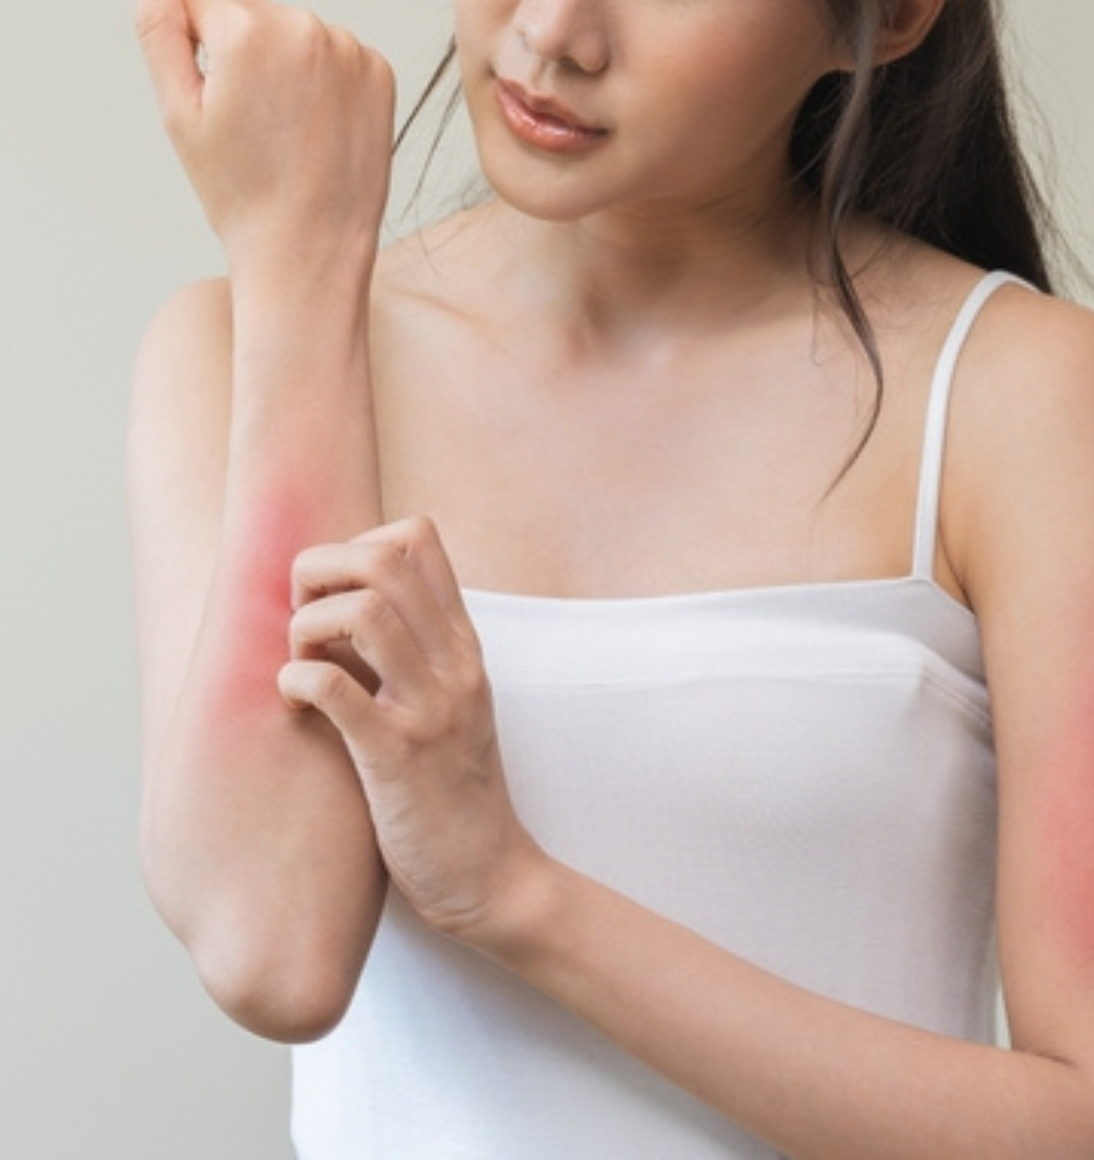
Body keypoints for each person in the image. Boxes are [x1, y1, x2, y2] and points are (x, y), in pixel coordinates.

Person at [130, 0, 1094, 1154]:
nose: (551, 32)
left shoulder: (1019, 399)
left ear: (881, 18)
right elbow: (271, 953)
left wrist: (517, 895)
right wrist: (297, 261)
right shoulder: (248, 344)